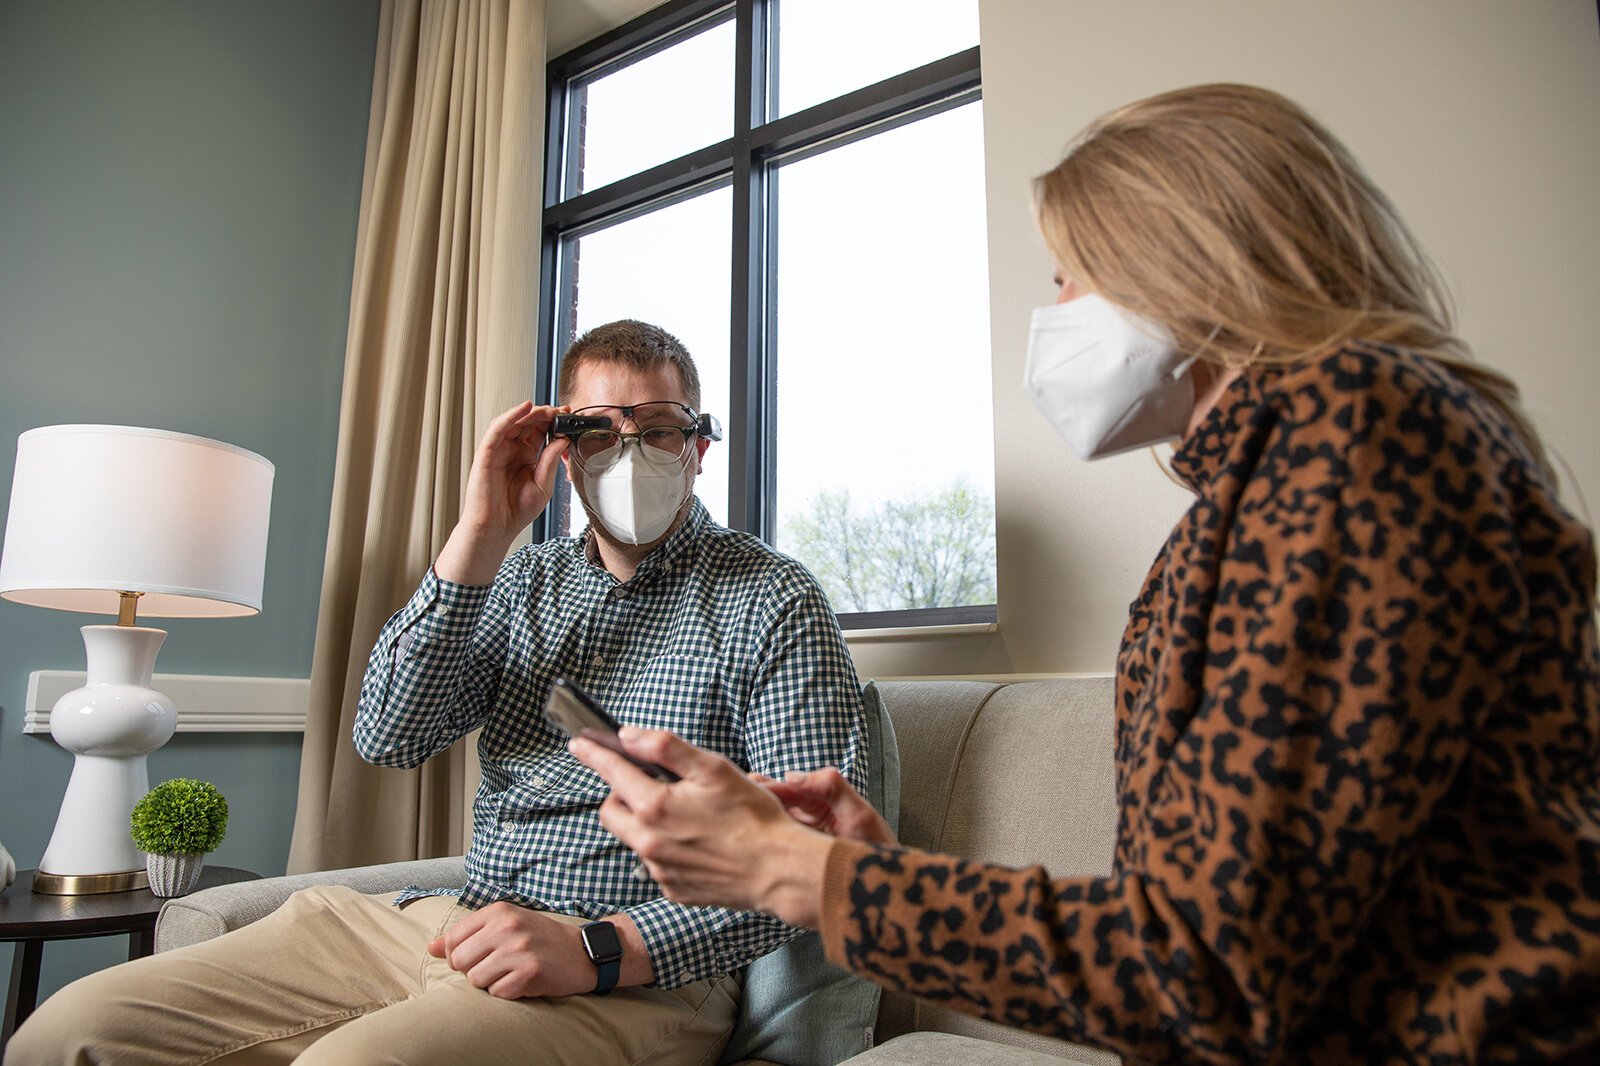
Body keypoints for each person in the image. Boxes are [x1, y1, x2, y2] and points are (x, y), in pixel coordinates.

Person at [572, 85, 1600, 1063]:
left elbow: (1209, 970)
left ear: (1178, 259)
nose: (1055, 311)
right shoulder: (1275, 480)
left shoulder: (1358, 448)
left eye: (1067, 277)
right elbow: (1200, 929)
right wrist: (877, 878)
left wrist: (808, 876)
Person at [7, 319, 867, 1065]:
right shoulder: (522, 580)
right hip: (451, 921)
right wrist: (480, 535)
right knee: (69, 1033)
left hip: (638, 972)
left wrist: (598, 949)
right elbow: (388, 735)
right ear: (563, 453)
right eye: (598, 432)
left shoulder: (774, 599)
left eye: (659, 428)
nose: (630, 452)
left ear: (699, 448)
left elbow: (815, 862)